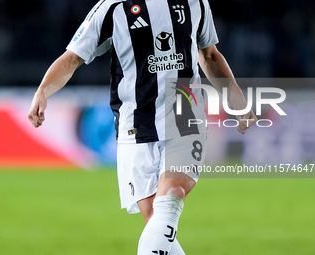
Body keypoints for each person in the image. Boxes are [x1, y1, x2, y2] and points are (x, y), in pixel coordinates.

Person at [28, 0, 257, 254]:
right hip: (134, 126)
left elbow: (210, 55)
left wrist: (237, 100)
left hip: (184, 114)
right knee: (155, 225)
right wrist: (42, 92)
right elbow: (71, 58)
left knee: (171, 197)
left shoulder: (195, 2)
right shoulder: (111, 8)